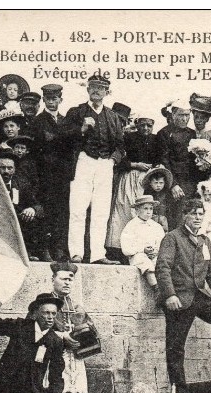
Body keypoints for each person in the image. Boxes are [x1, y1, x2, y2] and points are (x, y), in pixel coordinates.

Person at [157, 198, 211, 393]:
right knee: (175, 346)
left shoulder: (205, 240)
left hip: (198, 295)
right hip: (178, 298)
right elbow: (162, 268)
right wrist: (170, 295)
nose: (197, 217)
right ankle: (179, 390)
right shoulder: (172, 238)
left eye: (200, 214)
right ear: (184, 216)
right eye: (193, 213)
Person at [63, 74, 125, 264]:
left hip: (105, 164)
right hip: (83, 161)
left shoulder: (113, 117)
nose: (97, 90)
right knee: (78, 209)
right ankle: (76, 253)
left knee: (101, 212)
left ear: (107, 92)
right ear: (87, 89)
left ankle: (98, 254)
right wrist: (81, 129)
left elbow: (121, 146)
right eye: (93, 87)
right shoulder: (76, 112)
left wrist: (113, 160)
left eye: (101, 87)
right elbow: (63, 138)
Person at [45, 262, 94, 393]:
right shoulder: (45, 306)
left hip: (77, 367)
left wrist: (84, 336)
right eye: (63, 278)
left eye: (70, 279)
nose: (67, 282)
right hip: (54, 369)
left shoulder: (78, 307)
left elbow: (92, 337)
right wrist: (62, 337)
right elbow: (35, 334)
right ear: (52, 280)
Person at [30, 83, 75, 261]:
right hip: (44, 174)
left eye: (54, 99)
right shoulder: (38, 121)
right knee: (45, 212)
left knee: (61, 212)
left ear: (60, 100)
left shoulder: (65, 121)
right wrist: (62, 140)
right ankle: (44, 248)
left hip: (62, 175)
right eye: (47, 99)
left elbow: (70, 147)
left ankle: (58, 249)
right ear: (43, 100)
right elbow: (43, 144)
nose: (51, 102)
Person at [107, 114, 159, 259]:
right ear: (137, 125)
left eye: (149, 125)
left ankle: (143, 248)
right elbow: (121, 160)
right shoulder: (129, 138)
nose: (146, 128)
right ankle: (119, 249)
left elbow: (159, 158)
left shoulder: (155, 140)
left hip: (148, 179)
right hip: (130, 177)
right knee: (125, 209)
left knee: (146, 211)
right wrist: (135, 165)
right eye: (142, 125)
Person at [154, 99, 201, 227]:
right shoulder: (164, 133)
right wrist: (173, 184)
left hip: (189, 182)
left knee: (189, 218)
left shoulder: (191, 133)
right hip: (173, 183)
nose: (184, 118)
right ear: (173, 114)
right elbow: (164, 160)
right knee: (175, 219)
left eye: (187, 115)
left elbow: (193, 159)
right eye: (181, 115)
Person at [0, 152, 45, 260]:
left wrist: (32, 209)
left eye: (9, 168)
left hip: (15, 222)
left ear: (14, 170)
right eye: (2, 168)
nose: (6, 171)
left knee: (31, 218)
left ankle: (28, 253)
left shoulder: (22, 185)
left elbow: (38, 205)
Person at [120, 195, 165, 289]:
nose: (149, 212)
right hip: (138, 255)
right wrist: (142, 249)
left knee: (161, 263)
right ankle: (155, 288)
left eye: (151, 209)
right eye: (145, 209)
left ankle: (165, 288)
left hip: (154, 255)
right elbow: (126, 248)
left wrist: (156, 251)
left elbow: (162, 242)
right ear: (137, 210)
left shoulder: (156, 226)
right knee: (144, 261)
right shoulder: (131, 226)